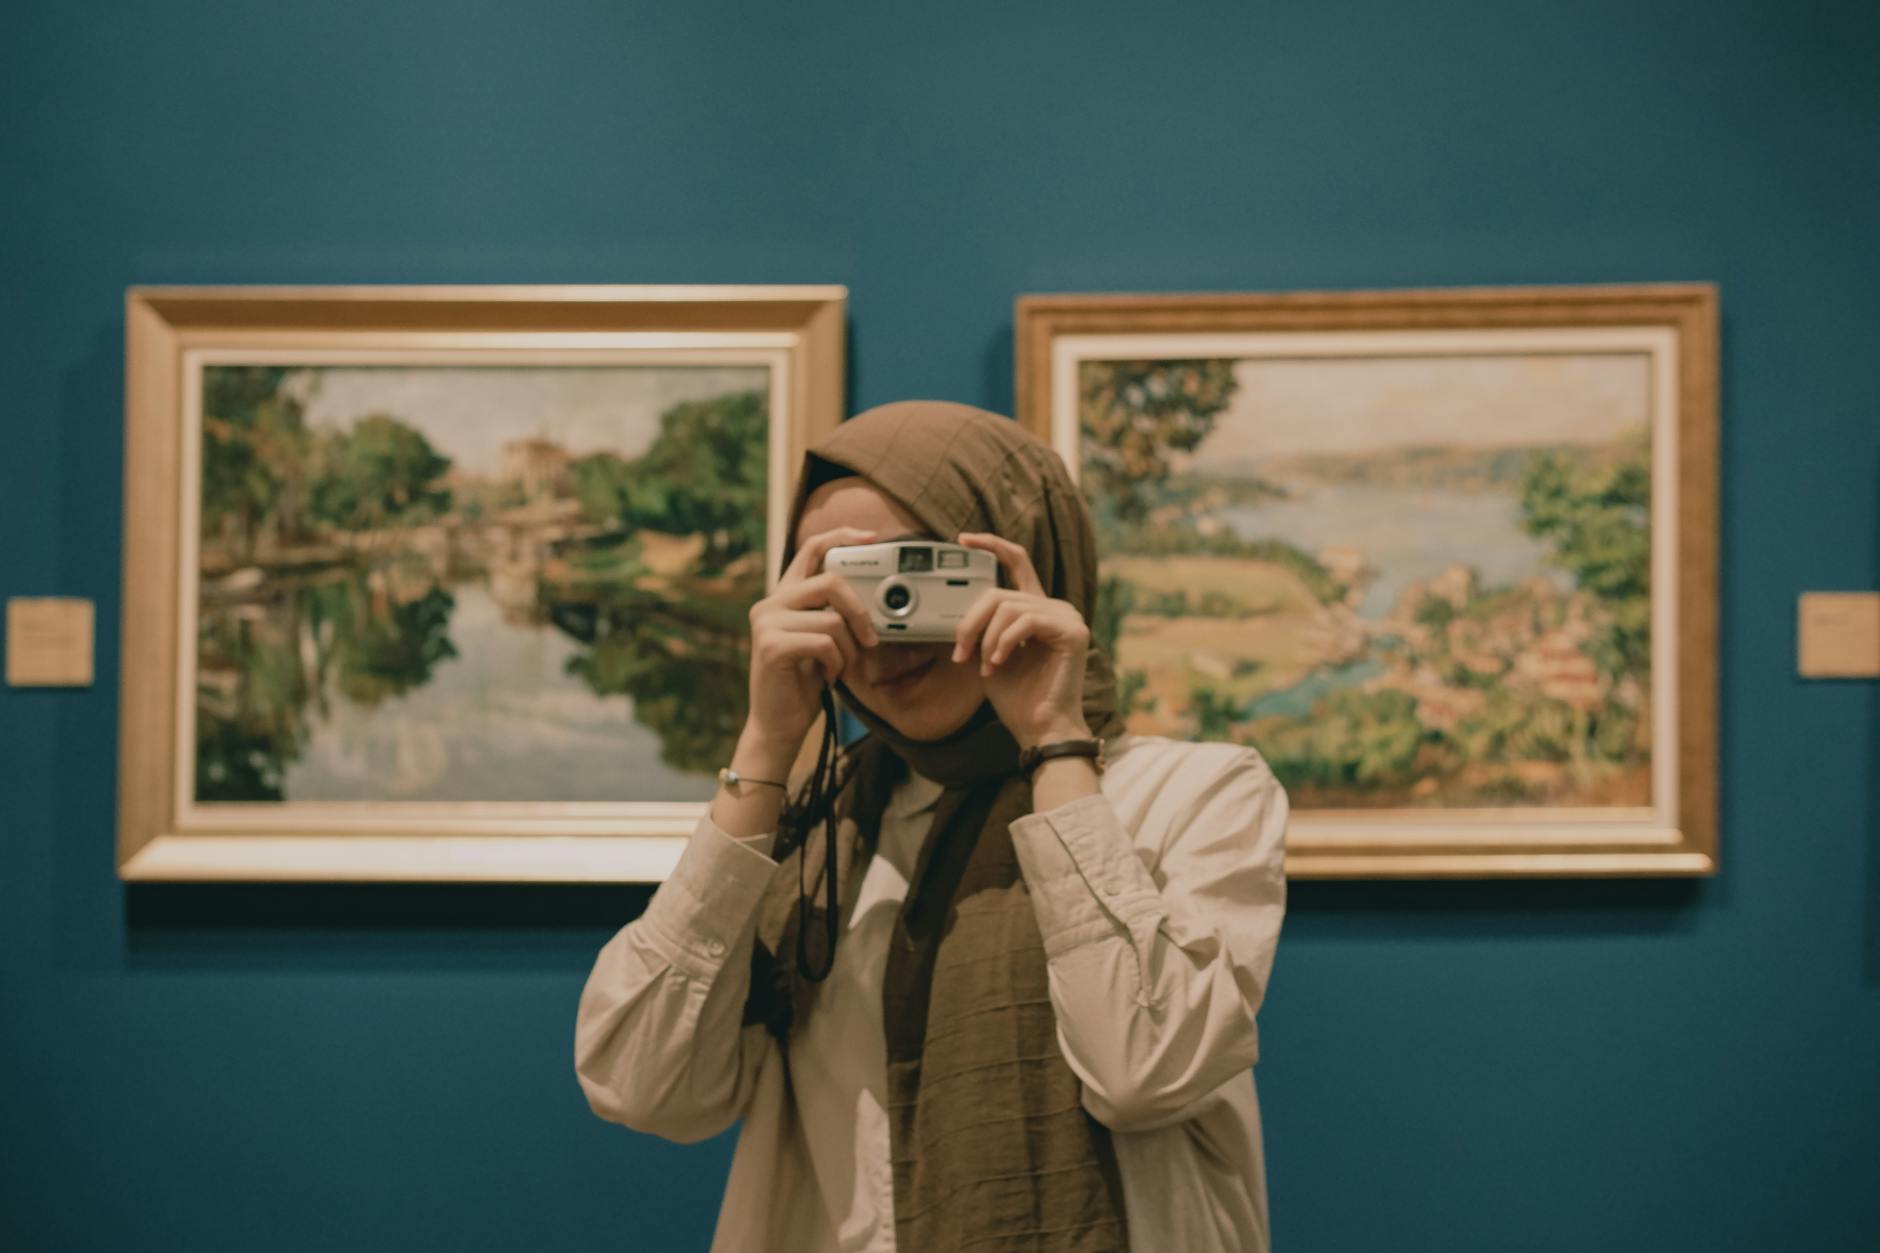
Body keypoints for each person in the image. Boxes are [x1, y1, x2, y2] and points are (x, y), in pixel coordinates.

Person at [575, 400, 1289, 1252]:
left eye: (922, 574)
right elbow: (639, 1084)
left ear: (1030, 567)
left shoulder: (1194, 793)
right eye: (846, 585)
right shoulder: (815, 829)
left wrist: (1055, 742)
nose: (883, 629)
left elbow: (1144, 1070)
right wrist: (767, 747)